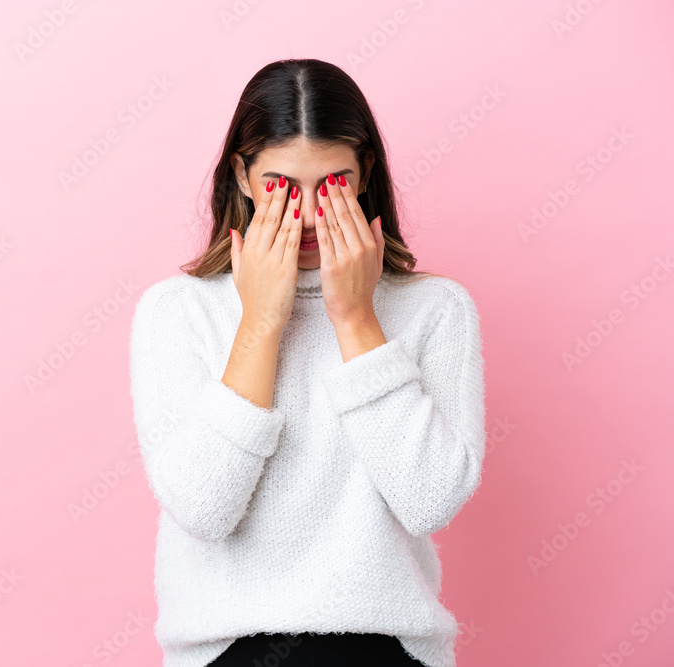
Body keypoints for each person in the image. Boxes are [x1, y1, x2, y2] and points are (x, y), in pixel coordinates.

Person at [128, 58, 486, 667]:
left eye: (335, 182)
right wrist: (261, 322)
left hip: (387, 649)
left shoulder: (436, 309)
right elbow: (202, 510)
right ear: (241, 176)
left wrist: (357, 319)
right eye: (283, 187)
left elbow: (430, 500)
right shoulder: (178, 310)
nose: (314, 214)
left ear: (365, 170)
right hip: (226, 651)